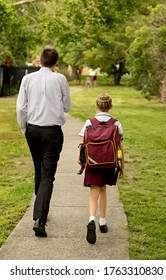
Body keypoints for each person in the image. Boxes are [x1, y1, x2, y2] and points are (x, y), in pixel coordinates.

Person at [16, 48, 71, 237]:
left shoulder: (27, 79)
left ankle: (39, 211)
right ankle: (40, 219)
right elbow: (67, 106)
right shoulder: (60, 79)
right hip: (52, 132)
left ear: (40, 61)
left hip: (32, 130)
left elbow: (21, 108)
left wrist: (24, 128)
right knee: (48, 175)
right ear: (56, 62)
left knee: (39, 171)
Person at [79, 93, 124, 244]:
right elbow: (119, 147)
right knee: (103, 189)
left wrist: (81, 161)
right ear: (110, 106)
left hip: (93, 162)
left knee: (94, 192)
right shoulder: (116, 124)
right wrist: (121, 166)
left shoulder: (89, 122)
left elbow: (83, 144)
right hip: (109, 163)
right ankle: (102, 222)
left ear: (96, 106)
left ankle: (91, 218)